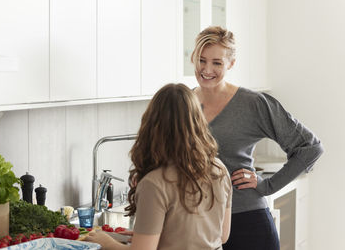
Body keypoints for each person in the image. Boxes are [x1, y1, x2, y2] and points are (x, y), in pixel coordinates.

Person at [190, 26, 324, 250]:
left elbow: (310, 147)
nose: (206, 69)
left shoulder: (252, 103)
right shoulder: (184, 102)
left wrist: (268, 186)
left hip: (246, 221)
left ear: (230, 64)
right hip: (198, 223)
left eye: (217, 62)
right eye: (201, 60)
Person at [85, 83, 232, 250]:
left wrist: (106, 242)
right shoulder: (219, 169)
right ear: (197, 121)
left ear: (151, 124)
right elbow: (222, 235)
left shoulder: (154, 183)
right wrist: (157, 235)